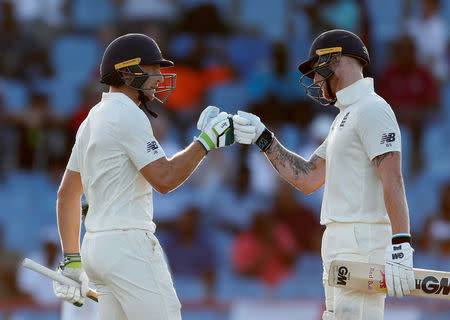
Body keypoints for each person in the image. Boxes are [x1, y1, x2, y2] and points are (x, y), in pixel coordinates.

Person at [233, 29, 415, 320]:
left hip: (361, 238)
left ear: (336, 60)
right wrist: (263, 138)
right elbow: (308, 177)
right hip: (339, 239)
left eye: (317, 69)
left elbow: (392, 177)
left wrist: (401, 244)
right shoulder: (345, 116)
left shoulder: (372, 109)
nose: (316, 80)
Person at [52, 33, 235, 320]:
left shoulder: (91, 119)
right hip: (128, 247)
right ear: (127, 72)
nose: (159, 76)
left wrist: (72, 260)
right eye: (152, 68)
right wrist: (206, 141)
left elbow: (66, 196)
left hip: (96, 248)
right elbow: (165, 179)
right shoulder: (129, 114)